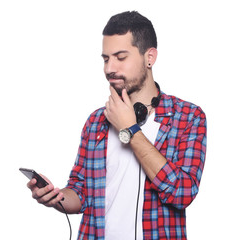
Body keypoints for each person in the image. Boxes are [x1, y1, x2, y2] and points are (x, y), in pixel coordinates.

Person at [27, 11, 207, 240]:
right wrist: (56, 198)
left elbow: (183, 193)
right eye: (105, 58)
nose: (109, 68)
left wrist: (130, 129)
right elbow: (80, 192)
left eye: (120, 57)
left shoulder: (188, 117)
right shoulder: (96, 122)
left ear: (149, 57)